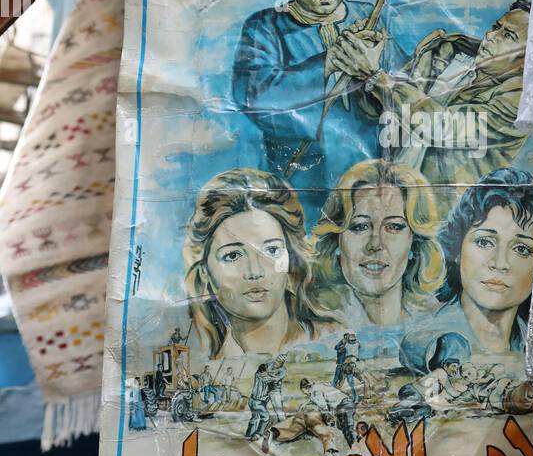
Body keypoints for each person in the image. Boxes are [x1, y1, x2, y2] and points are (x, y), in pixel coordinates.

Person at [231, 0, 386, 197]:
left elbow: (403, 83)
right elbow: (254, 97)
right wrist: (328, 63)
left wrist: (376, 76)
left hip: (370, 178)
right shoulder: (265, 25)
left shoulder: (368, 17)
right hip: (299, 180)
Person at [329, 0, 533, 186]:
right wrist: (361, 62)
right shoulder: (447, 53)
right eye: (496, 27)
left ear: (527, 62)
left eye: (507, 35)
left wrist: (376, 76)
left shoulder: (520, 101)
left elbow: (442, 127)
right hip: (385, 190)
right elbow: (379, 111)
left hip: (440, 214)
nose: (489, 36)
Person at [184, 168, 332, 359]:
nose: (255, 272)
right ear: (204, 272)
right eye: (233, 255)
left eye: (271, 250)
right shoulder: (202, 364)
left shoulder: (333, 340)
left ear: (290, 258)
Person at [313, 158, 443, 327]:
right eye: (360, 227)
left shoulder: (439, 323)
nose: (375, 244)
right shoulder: (312, 327)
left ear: (415, 242)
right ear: (336, 241)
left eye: (394, 227)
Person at [435, 167, 533, 353]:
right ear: (457, 250)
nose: (499, 263)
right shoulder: (430, 342)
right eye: (484, 242)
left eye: (522, 249)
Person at [245, 354, 288, 440]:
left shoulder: (282, 370)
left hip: (271, 392)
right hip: (260, 398)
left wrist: (268, 374)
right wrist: (269, 374)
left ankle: (249, 434)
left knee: (276, 410)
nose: (276, 363)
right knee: (264, 417)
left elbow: (275, 378)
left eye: (279, 362)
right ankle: (257, 434)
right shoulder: (266, 371)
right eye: (276, 360)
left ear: (282, 363)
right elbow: (268, 377)